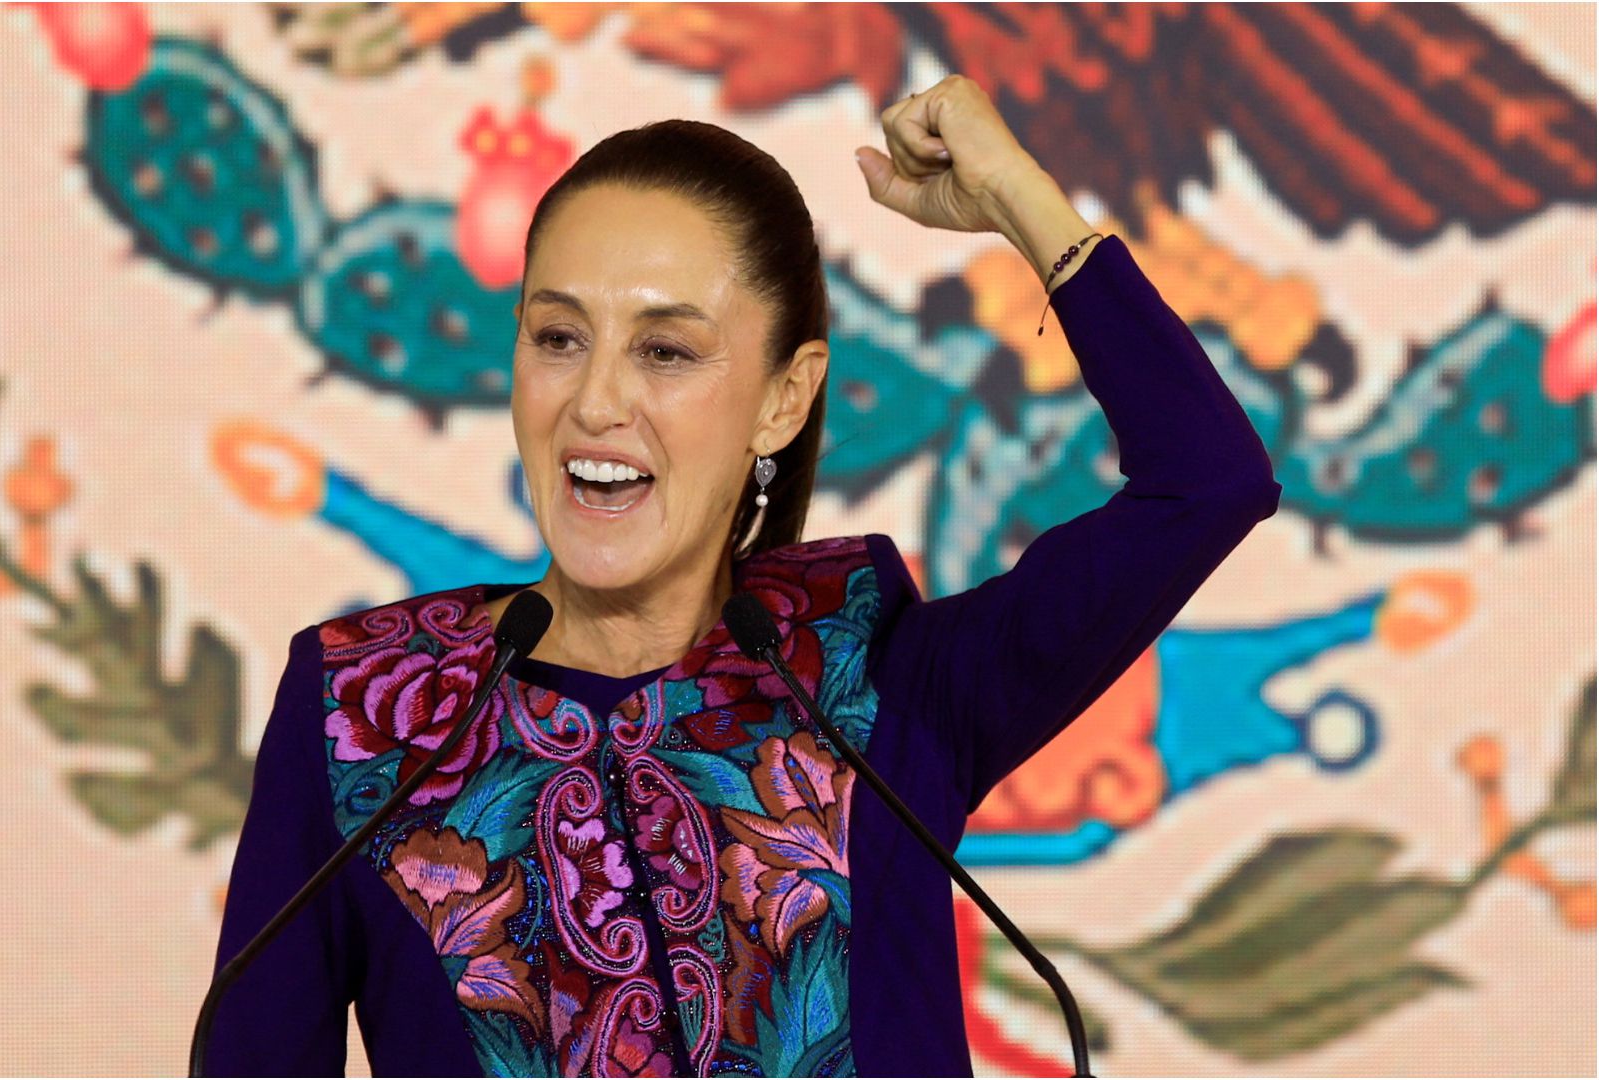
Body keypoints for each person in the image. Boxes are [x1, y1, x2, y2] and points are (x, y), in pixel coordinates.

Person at [205, 76, 1281, 1077]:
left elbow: (1207, 481)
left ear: (784, 397)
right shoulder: (367, 719)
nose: (595, 403)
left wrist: (1019, 201)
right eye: (559, 337)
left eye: (667, 351)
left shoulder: (882, 687)